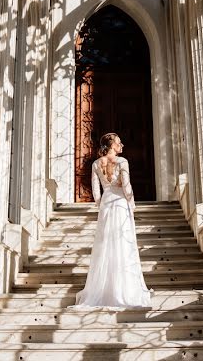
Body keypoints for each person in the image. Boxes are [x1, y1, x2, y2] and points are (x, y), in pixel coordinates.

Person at [71, 132, 152, 309]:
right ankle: (125, 288)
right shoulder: (122, 162)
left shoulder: (95, 164)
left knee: (106, 243)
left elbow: (95, 189)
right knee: (123, 242)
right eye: (119, 142)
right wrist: (131, 203)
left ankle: (105, 289)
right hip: (121, 202)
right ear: (112, 145)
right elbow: (127, 184)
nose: (121, 144)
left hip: (107, 202)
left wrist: (101, 205)